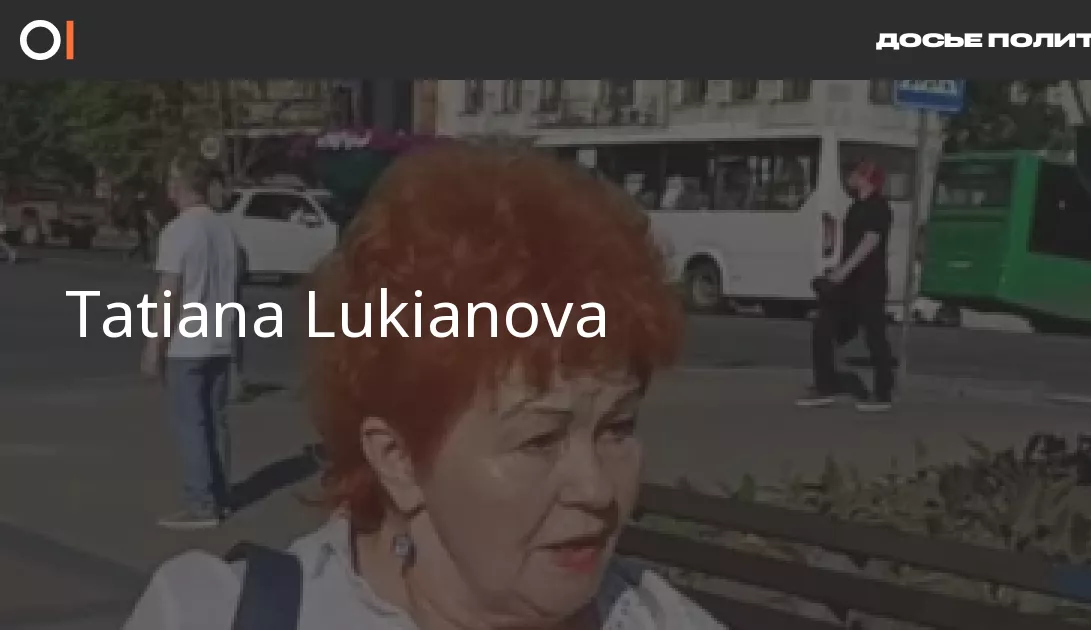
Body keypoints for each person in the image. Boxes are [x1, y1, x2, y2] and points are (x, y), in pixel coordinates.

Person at [122, 145, 725, 630]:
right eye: (540, 439)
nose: (596, 489)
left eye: (617, 428)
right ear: (399, 459)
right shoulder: (212, 615)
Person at [139, 154, 244, 530]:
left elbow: (169, 292)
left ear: (180, 186)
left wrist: (155, 345)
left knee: (191, 424)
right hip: (220, 339)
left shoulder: (179, 231)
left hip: (188, 342)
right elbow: (235, 288)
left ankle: (200, 503)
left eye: (171, 180)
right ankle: (220, 496)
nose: (168, 188)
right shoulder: (225, 230)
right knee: (216, 421)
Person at [796, 160, 896, 412]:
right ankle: (825, 386)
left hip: (869, 283)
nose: (850, 177)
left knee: (874, 336)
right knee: (823, 329)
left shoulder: (879, 207)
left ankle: (883, 393)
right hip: (848, 283)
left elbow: (869, 243)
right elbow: (849, 243)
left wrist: (842, 272)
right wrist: (835, 264)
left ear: (866, 178)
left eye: (855, 173)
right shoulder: (855, 207)